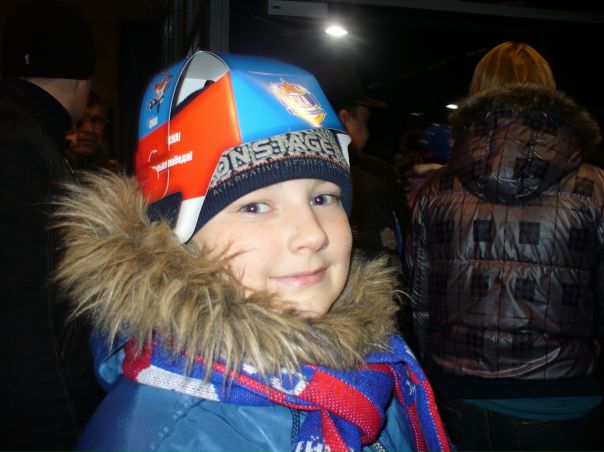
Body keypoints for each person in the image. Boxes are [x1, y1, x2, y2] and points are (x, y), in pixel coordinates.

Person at [53, 50, 452, 452]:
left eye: (323, 199)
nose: (312, 235)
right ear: (173, 236)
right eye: (255, 207)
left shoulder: (373, 360)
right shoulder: (163, 438)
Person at [404, 41, 603, 452]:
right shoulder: (593, 187)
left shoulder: (438, 190)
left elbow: (419, 301)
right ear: (547, 92)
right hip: (562, 395)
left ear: (478, 94)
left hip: (457, 394)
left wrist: (436, 366)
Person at [0, 1, 103, 451]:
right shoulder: (22, 148)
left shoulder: (24, 134)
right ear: (82, 79)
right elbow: (29, 321)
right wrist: (64, 436)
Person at [313, 63, 410, 264]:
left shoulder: (294, 174)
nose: (367, 132)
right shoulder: (367, 180)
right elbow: (386, 267)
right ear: (344, 118)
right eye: (365, 121)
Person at [65, 90, 118, 172]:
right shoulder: (49, 168)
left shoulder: (110, 172)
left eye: (96, 120)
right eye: (79, 120)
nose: (89, 129)